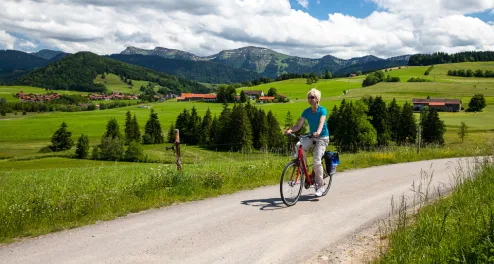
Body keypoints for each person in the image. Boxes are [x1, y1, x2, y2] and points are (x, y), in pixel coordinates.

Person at [284, 88, 329, 197]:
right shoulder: (306, 111)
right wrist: (290, 130)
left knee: (316, 161)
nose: (309, 99)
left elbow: (321, 122)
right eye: (308, 97)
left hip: (322, 137)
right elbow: (299, 125)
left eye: (312, 97)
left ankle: (320, 186)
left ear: (317, 99)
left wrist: (318, 132)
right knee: (298, 146)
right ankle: (305, 170)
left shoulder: (322, 110)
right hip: (311, 136)